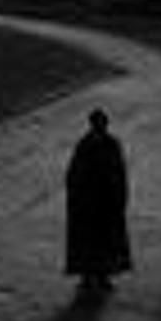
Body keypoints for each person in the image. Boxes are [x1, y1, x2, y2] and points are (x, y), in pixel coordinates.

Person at [65, 109, 132, 291]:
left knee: (102, 241)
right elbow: (75, 174)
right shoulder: (89, 145)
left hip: (104, 202)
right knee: (92, 241)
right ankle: (89, 276)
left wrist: (120, 196)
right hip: (91, 203)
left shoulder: (106, 144)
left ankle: (101, 276)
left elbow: (119, 172)